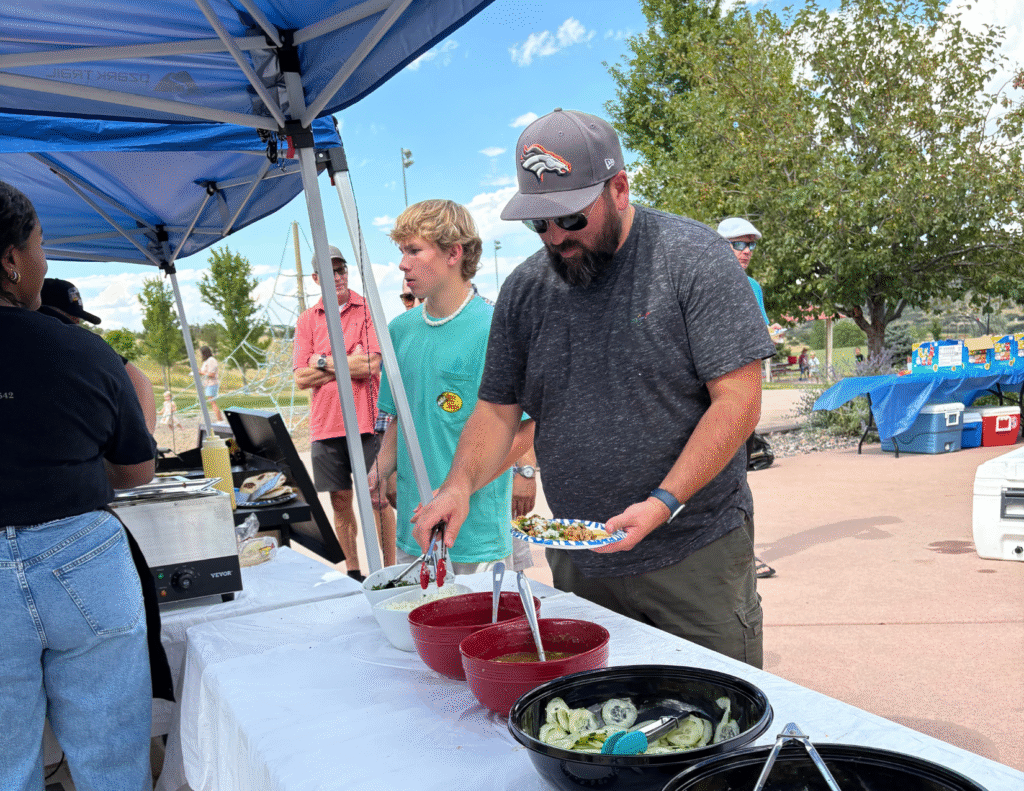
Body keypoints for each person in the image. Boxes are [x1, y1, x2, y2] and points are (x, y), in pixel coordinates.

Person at [411, 109, 775, 667]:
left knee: (715, 704)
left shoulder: (693, 258)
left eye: (571, 218)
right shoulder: (525, 290)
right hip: (581, 560)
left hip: (694, 552)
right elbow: (498, 411)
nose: (556, 237)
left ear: (619, 189)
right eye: (540, 224)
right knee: (598, 706)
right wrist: (458, 486)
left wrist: (663, 502)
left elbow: (739, 401)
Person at [0, 180, 157, 791]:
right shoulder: (84, 352)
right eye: (40, 245)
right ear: (11, 260)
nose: (44, 261)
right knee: (112, 763)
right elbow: (137, 470)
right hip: (82, 557)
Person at [368, 200, 535, 574]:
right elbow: (399, 420)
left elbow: (524, 430)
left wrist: (459, 489)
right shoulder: (399, 331)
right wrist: (380, 469)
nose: (402, 264)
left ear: (453, 254)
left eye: (414, 250)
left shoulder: (495, 328)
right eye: (401, 252)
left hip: (473, 534)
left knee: (477, 615)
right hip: (415, 528)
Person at [293, 244, 389, 581]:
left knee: (377, 499)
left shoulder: (367, 311)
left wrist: (320, 360)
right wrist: (349, 361)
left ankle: (391, 571)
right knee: (340, 501)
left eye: (341, 269)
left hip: (366, 422)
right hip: (326, 426)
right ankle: (354, 573)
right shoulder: (307, 320)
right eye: (329, 271)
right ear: (316, 278)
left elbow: (371, 365)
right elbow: (301, 378)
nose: (337, 276)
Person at [718, 218, 777, 579]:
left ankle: (742, 557)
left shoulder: (752, 287)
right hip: (705, 398)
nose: (746, 251)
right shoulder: (700, 282)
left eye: (750, 245)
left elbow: (758, 338)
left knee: (737, 477)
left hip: (739, 397)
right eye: (738, 244)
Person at [40, 276, 157, 432]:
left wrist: (143, 437)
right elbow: (140, 380)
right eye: (69, 318)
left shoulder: (82, 347)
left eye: (76, 319)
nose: (76, 324)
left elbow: (140, 381)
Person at [198, 344, 224, 422]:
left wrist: (201, 373)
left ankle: (220, 420)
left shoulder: (211, 360)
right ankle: (220, 420)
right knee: (212, 402)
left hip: (212, 384)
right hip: (208, 384)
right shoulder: (206, 361)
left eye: (201, 353)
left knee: (213, 402)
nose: (200, 355)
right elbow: (205, 371)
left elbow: (212, 374)